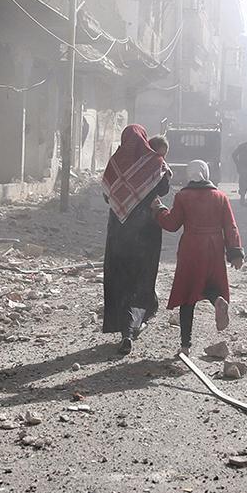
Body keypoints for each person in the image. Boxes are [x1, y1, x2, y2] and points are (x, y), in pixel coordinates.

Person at [154, 160, 245, 357]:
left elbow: (171, 224)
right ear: (206, 172)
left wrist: (159, 209)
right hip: (214, 247)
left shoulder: (183, 197)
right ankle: (217, 300)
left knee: (188, 294)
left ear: (189, 175)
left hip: (192, 247)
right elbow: (231, 226)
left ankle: (185, 346)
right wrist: (235, 252)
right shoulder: (220, 197)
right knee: (210, 284)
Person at [102, 126, 172, 354]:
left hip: (118, 233)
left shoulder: (114, 164)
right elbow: (164, 189)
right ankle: (133, 325)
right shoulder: (154, 163)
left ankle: (124, 326)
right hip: (146, 233)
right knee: (141, 277)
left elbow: (106, 195)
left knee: (120, 279)